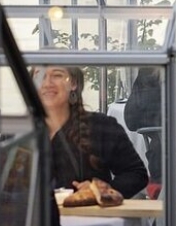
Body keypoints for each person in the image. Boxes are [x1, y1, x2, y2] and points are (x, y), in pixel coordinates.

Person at [35, 66, 148, 198]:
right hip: (32, 218)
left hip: (89, 216)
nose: (47, 83)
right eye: (40, 76)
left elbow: (136, 174)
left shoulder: (102, 126)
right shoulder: (18, 132)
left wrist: (101, 190)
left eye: (57, 75)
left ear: (73, 83)